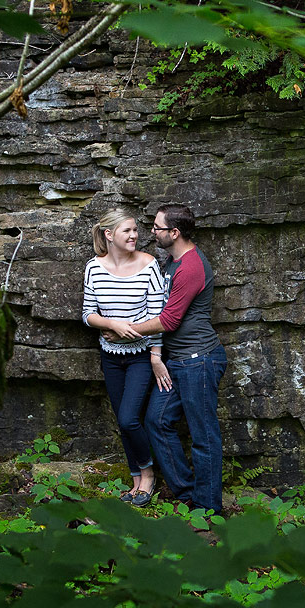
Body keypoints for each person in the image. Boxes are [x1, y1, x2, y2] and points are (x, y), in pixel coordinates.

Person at [113, 204, 227, 514]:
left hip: (199, 360)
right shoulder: (170, 263)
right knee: (156, 421)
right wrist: (157, 355)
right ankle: (187, 493)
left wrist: (126, 330)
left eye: (158, 228)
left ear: (174, 233)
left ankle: (209, 509)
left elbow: (168, 320)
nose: (152, 232)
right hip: (176, 361)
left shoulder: (190, 267)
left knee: (204, 437)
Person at [81, 209, 171, 507]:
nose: (135, 236)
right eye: (127, 231)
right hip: (110, 357)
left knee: (129, 418)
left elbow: (159, 317)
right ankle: (135, 481)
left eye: (135, 230)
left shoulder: (148, 265)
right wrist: (112, 325)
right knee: (123, 422)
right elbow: (88, 314)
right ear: (109, 235)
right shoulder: (94, 267)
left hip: (141, 356)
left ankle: (147, 475)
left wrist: (156, 355)